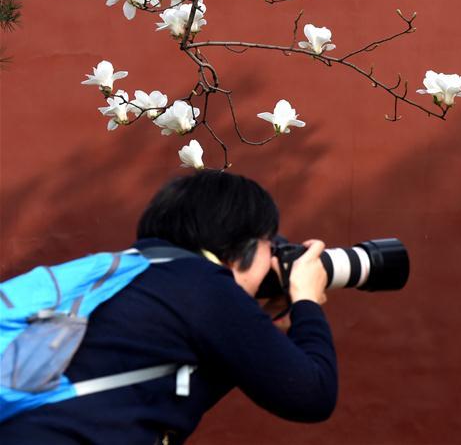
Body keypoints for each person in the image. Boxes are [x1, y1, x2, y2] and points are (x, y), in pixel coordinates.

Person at [0, 171, 337, 444]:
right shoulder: (202, 285)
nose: (274, 258)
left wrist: (260, 325)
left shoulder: (140, 275)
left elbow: (166, 395)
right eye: (271, 245)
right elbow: (311, 395)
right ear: (243, 244)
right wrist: (307, 300)